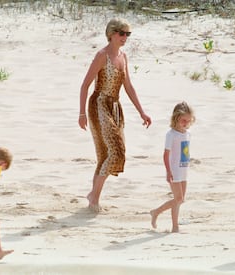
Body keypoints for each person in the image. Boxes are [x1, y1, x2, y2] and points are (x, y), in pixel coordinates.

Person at [78, 18, 151, 212]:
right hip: (99, 104)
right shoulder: (102, 55)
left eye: (128, 34)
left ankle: (93, 197)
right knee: (114, 151)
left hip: (115, 107)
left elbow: (128, 87)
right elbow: (85, 85)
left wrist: (142, 111)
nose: (125, 37)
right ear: (111, 34)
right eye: (121, 33)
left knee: (107, 154)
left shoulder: (123, 56)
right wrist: (81, 113)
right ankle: (94, 196)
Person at [150, 102, 195, 233]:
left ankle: (175, 227)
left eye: (188, 120)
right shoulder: (171, 135)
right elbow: (166, 155)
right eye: (183, 120)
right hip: (174, 170)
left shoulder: (188, 134)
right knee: (178, 198)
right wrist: (168, 171)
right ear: (176, 118)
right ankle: (156, 212)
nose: (186, 123)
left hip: (184, 170)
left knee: (180, 200)